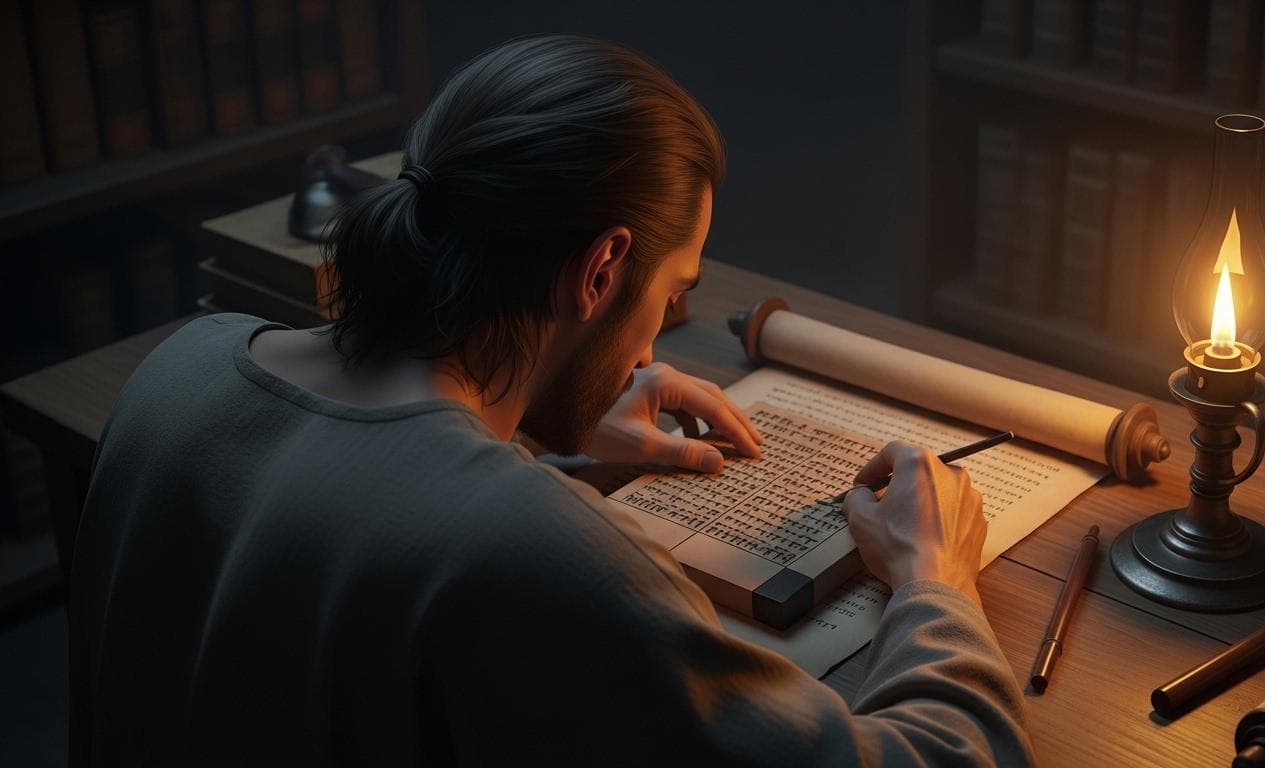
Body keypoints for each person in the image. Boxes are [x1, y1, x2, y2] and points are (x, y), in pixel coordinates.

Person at [70, 35, 1034, 766]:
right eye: (670, 296)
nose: (650, 350)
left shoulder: (182, 368)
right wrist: (934, 580)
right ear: (600, 269)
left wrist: (529, 427)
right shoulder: (536, 550)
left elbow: (353, 497)